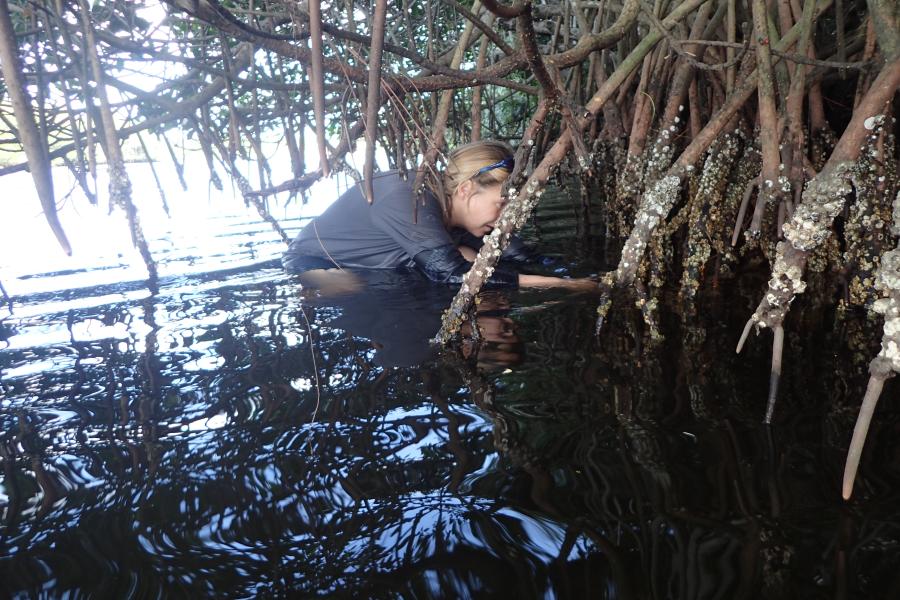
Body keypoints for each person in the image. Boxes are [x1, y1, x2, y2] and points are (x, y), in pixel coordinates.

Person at [282, 140, 594, 290]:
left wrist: (574, 274)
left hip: (392, 263)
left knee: (470, 254)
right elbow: (451, 273)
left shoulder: (467, 214)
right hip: (316, 264)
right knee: (352, 287)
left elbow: (519, 255)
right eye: (500, 205)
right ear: (466, 190)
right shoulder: (411, 198)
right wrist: (565, 286)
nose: (503, 219)